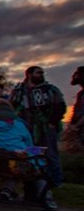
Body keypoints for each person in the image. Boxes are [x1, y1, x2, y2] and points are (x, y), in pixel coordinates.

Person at [9, 66, 66, 197]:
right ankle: (32, 181)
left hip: (45, 128)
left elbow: (60, 106)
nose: (41, 74)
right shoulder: (19, 91)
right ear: (29, 74)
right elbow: (12, 106)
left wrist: (52, 122)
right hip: (26, 128)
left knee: (49, 153)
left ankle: (55, 181)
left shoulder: (49, 89)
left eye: (42, 73)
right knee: (30, 152)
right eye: (38, 72)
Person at [63, 66, 84, 154]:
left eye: (77, 74)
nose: (74, 76)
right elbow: (76, 112)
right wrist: (71, 125)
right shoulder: (81, 94)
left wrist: (76, 126)